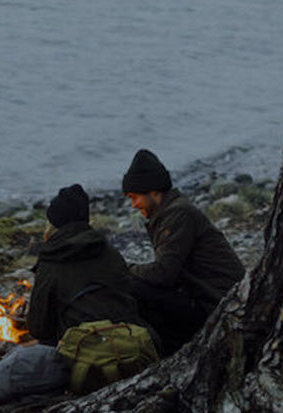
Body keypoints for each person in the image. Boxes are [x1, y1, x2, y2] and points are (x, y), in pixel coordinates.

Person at [122, 148, 245, 355]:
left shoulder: (178, 214)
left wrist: (126, 268)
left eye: (135, 197)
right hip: (208, 298)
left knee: (132, 286)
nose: (133, 205)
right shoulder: (170, 212)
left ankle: (175, 349)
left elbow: (162, 274)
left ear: (154, 192)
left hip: (217, 305)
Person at [27, 183, 141, 346]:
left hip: (83, 348)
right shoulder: (108, 251)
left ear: (54, 225)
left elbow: (38, 328)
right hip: (128, 339)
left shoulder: (52, 259)